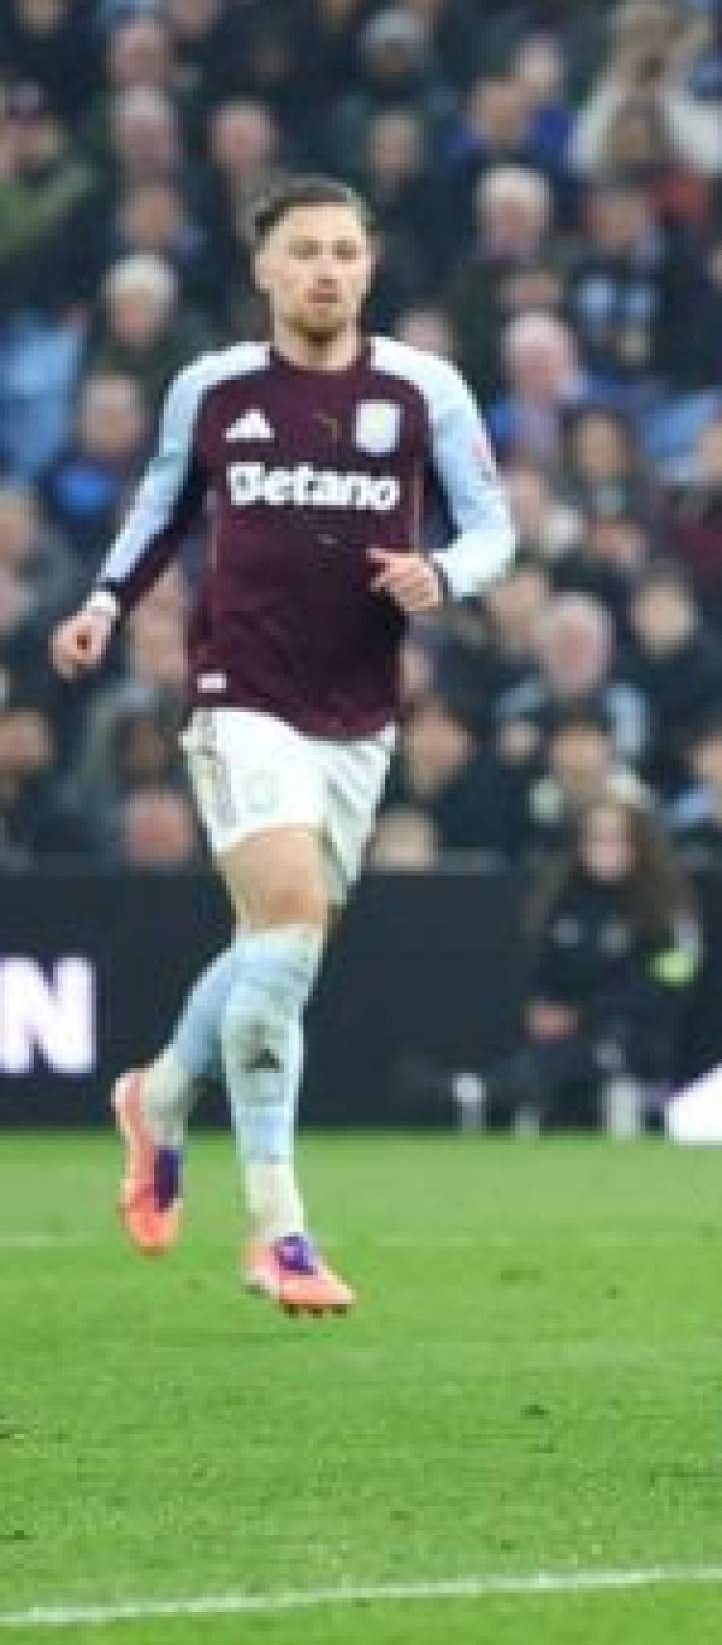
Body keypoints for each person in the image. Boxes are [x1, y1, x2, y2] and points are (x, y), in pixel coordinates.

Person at [49, 175, 516, 1315]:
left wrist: (441, 572)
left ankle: (157, 1094)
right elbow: (159, 509)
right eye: (304, 250)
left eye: (345, 253)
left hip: (359, 709)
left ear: (369, 267)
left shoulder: (424, 388)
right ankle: (281, 1231)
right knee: (292, 926)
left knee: (277, 950)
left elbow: (495, 523)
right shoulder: (212, 390)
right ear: (264, 269)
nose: (325, 270)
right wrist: (106, 606)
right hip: (241, 691)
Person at [508, 797, 699, 1135]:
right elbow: (542, 972)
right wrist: (544, 1007)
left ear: (639, 845)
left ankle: (467, 1090)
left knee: (563, 1061)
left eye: (616, 838)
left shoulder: (666, 910)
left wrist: (583, 1013)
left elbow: (670, 984)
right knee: (545, 1057)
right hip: (567, 1035)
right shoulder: (560, 903)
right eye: (595, 838)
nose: (604, 849)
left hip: (636, 1038)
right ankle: (475, 1090)